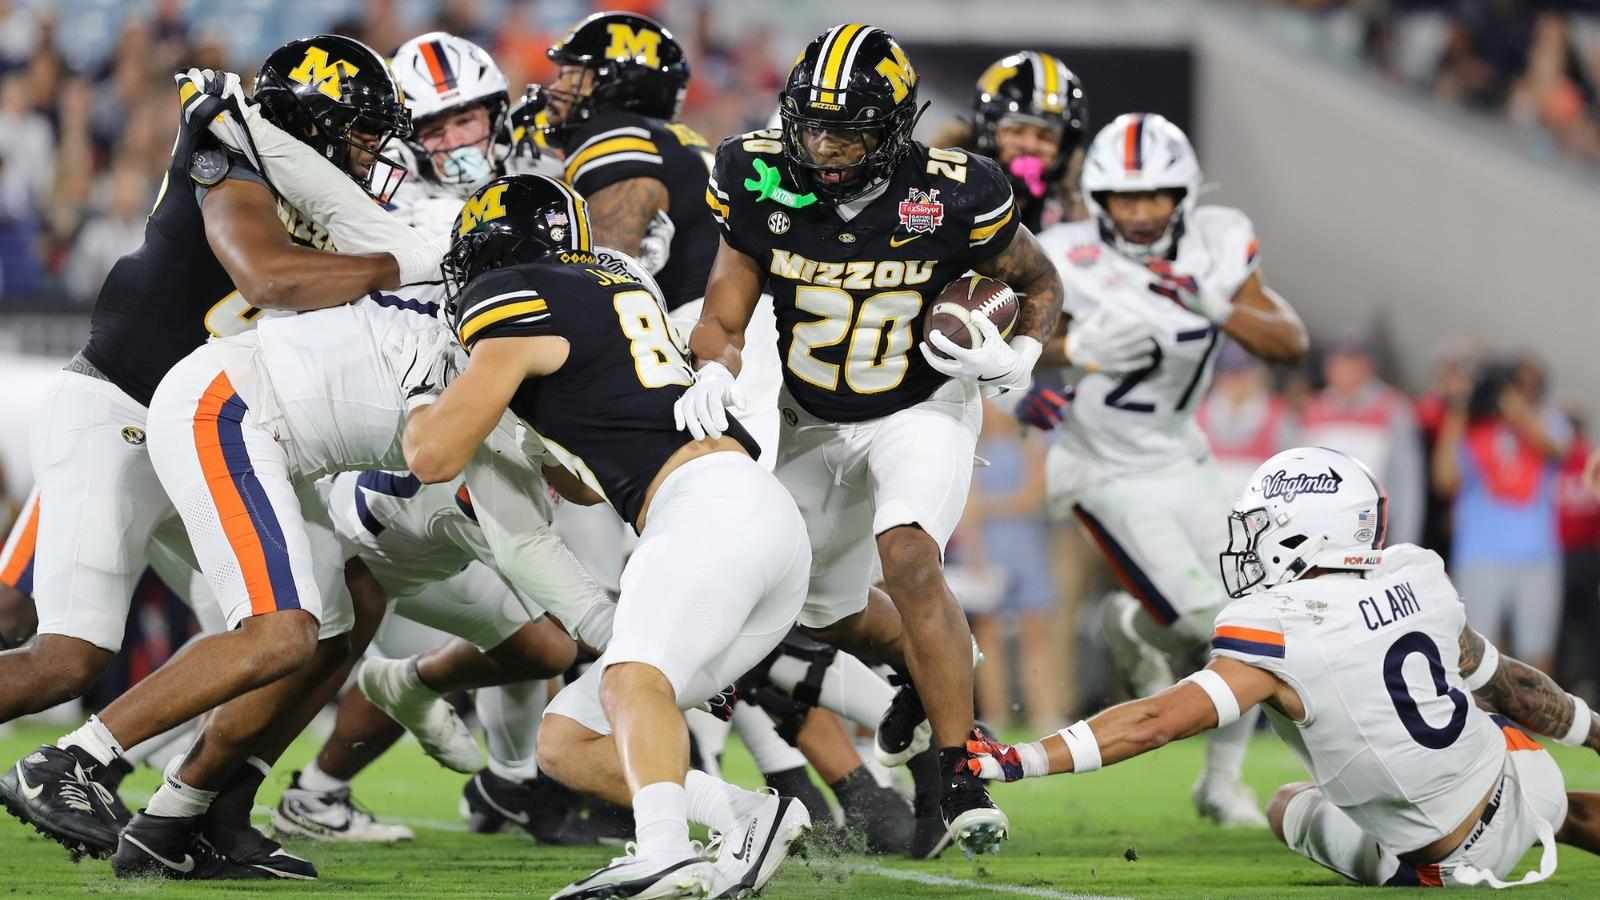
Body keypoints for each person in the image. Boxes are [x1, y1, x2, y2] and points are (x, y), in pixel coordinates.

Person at [0, 35, 433, 873]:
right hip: (121, 415)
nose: (372, 150)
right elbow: (266, 276)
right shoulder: (226, 151)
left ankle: (201, 811)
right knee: (66, 657)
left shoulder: (314, 181)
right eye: (360, 130)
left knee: (331, 612)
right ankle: (78, 764)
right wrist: (400, 264)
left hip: (216, 431)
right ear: (312, 122)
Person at [680, 22, 1065, 858]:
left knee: (910, 554)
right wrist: (713, 363)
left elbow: (1038, 280)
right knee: (817, 605)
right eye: (812, 125)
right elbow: (725, 307)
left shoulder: (957, 191)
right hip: (809, 414)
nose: (823, 145)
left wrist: (1022, 356)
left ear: (893, 127)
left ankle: (961, 769)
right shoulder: (753, 173)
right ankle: (935, 671)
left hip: (920, 405)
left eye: (847, 129)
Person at [404, 173, 811, 898]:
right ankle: (748, 815)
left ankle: (663, 852)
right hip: (750, 516)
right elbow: (587, 482)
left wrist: (419, 395)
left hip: (703, 511)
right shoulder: (614, 282)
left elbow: (431, 456)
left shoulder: (513, 296)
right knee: (566, 741)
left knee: (631, 681)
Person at [969, 446, 1600, 889]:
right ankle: (1551, 814)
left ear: (1306, 530)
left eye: (1261, 526)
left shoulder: (1276, 623)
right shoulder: (1416, 571)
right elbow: (1509, 684)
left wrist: (1021, 759)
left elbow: (1156, 721)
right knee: (1514, 761)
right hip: (1521, 776)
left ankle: (1409, 856)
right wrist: (1595, 732)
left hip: (1446, 861)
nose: (1248, 542)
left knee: (1286, 802)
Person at [1024, 112, 1308, 826]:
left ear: (1184, 194)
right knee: (1205, 618)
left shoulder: (1219, 240)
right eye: (1126, 197)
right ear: (1100, 199)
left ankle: (1219, 780)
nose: (1142, 211)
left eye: (1156, 194)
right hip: (1101, 465)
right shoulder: (1063, 252)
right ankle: (1143, 626)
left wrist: (1218, 305)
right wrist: (1071, 350)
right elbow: (1000, 333)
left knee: (1257, 616)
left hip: (1183, 453)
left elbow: (1289, 343)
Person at [1433, 358, 1571, 674]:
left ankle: (1536, 709)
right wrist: (1458, 411)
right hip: (1479, 556)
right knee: (1477, 658)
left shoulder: (1549, 419)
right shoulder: (1471, 428)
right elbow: (1444, 480)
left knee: (1537, 654)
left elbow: (1555, 449)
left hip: (1537, 556)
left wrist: (1518, 413)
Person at [934, 50, 1089, 231]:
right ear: (988, 131)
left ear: (1065, 145)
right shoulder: (937, 194)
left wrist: (1076, 207)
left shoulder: (1085, 211)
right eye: (1016, 131)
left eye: (1046, 136)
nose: (1030, 145)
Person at [1298, 334, 1426, 546]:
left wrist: (1405, 542)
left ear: (1367, 366)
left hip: (1373, 527)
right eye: (1339, 362)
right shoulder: (1313, 409)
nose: (1345, 370)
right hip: (1321, 533)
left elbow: (1407, 481)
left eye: (1352, 362)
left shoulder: (1393, 408)